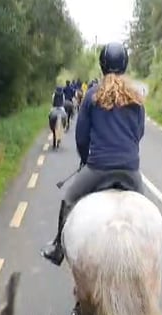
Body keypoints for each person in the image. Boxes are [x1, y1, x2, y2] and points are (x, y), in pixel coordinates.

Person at [40, 41, 145, 270]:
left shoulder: (92, 95)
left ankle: (57, 247)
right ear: (125, 64)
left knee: (68, 198)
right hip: (130, 171)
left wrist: (86, 160)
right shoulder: (136, 96)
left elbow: (81, 137)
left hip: (98, 169)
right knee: (148, 214)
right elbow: (139, 133)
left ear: (102, 65)